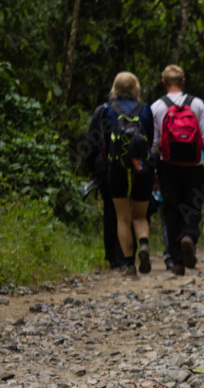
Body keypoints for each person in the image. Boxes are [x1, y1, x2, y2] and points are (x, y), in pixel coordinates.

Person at [151, 64, 204, 275]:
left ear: (163, 82)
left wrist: (154, 171)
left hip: (167, 166)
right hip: (194, 166)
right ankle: (188, 235)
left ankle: (177, 261)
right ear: (183, 81)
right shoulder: (197, 104)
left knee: (171, 210)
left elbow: (154, 145)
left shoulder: (156, 107)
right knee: (194, 205)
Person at [100, 72, 154, 277]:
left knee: (122, 218)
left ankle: (129, 265)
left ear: (115, 88)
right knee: (140, 215)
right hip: (142, 167)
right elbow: (150, 140)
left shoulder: (108, 110)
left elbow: (105, 141)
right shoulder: (145, 110)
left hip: (118, 168)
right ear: (136, 89)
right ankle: (144, 244)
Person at [83, 97, 133, 271]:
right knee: (127, 210)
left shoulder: (103, 110)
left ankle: (112, 256)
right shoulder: (140, 109)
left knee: (111, 211)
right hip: (131, 167)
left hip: (105, 166)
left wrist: (91, 167)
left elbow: (92, 141)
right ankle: (125, 255)